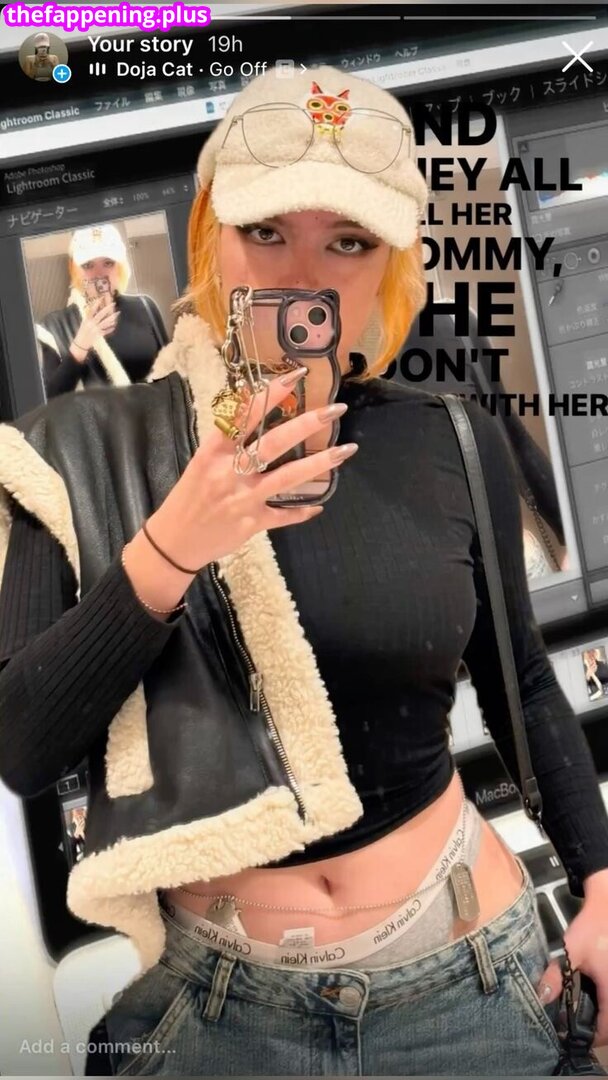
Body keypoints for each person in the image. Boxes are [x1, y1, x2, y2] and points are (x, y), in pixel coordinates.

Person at [0, 65, 607, 1077]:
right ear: (210, 234)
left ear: (390, 266)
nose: (303, 276)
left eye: (349, 241)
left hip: (473, 969)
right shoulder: (75, 449)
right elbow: (21, 745)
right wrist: (171, 546)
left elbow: (526, 686)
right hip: (219, 1006)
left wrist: (603, 884)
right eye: (267, 230)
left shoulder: (450, 437)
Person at [35, 223, 169, 398]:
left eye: (108, 263)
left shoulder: (144, 306)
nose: (99, 274)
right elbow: (49, 401)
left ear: (120, 268)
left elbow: (173, 372)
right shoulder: (53, 327)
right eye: (88, 265)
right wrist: (80, 346)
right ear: (74, 270)